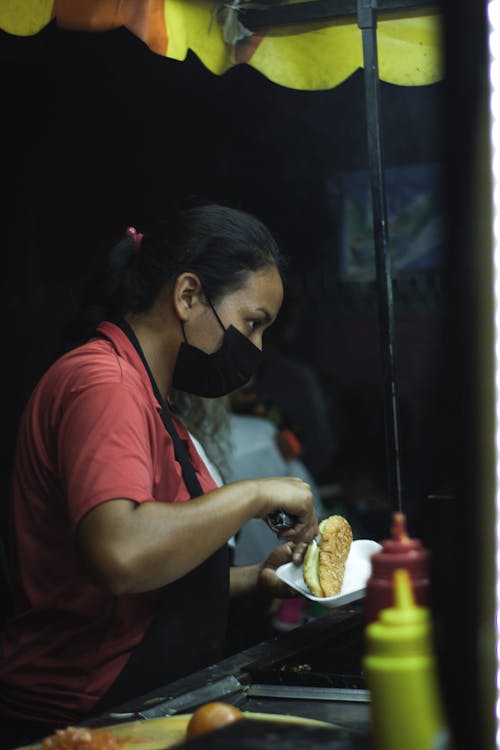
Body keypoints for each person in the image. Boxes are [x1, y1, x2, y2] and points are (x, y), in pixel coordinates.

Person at [0, 203, 318, 746]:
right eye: (251, 324)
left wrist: (253, 579)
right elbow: (121, 556)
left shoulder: (150, 397)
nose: (257, 349)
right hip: (84, 714)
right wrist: (252, 493)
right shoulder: (103, 385)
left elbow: (152, 580)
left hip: (142, 696)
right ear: (188, 295)